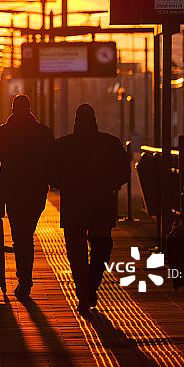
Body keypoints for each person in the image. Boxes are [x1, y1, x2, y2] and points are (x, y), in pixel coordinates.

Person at [46, 104, 129, 316]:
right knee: (102, 248)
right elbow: (124, 173)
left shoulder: (62, 146)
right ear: (95, 119)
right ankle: (91, 286)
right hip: (101, 204)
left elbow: (49, 173)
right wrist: (108, 184)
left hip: (73, 205)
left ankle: (83, 293)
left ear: (76, 120)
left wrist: (66, 185)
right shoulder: (110, 143)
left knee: (76, 253)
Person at [0, 94, 54, 299]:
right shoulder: (43, 132)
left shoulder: (3, 132)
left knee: (20, 235)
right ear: (30, 109)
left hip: (12, 189)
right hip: (36, 189)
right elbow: (53, 158)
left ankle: (24, 280)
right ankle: (25, 279)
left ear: (13, 109)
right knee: (27, 233)